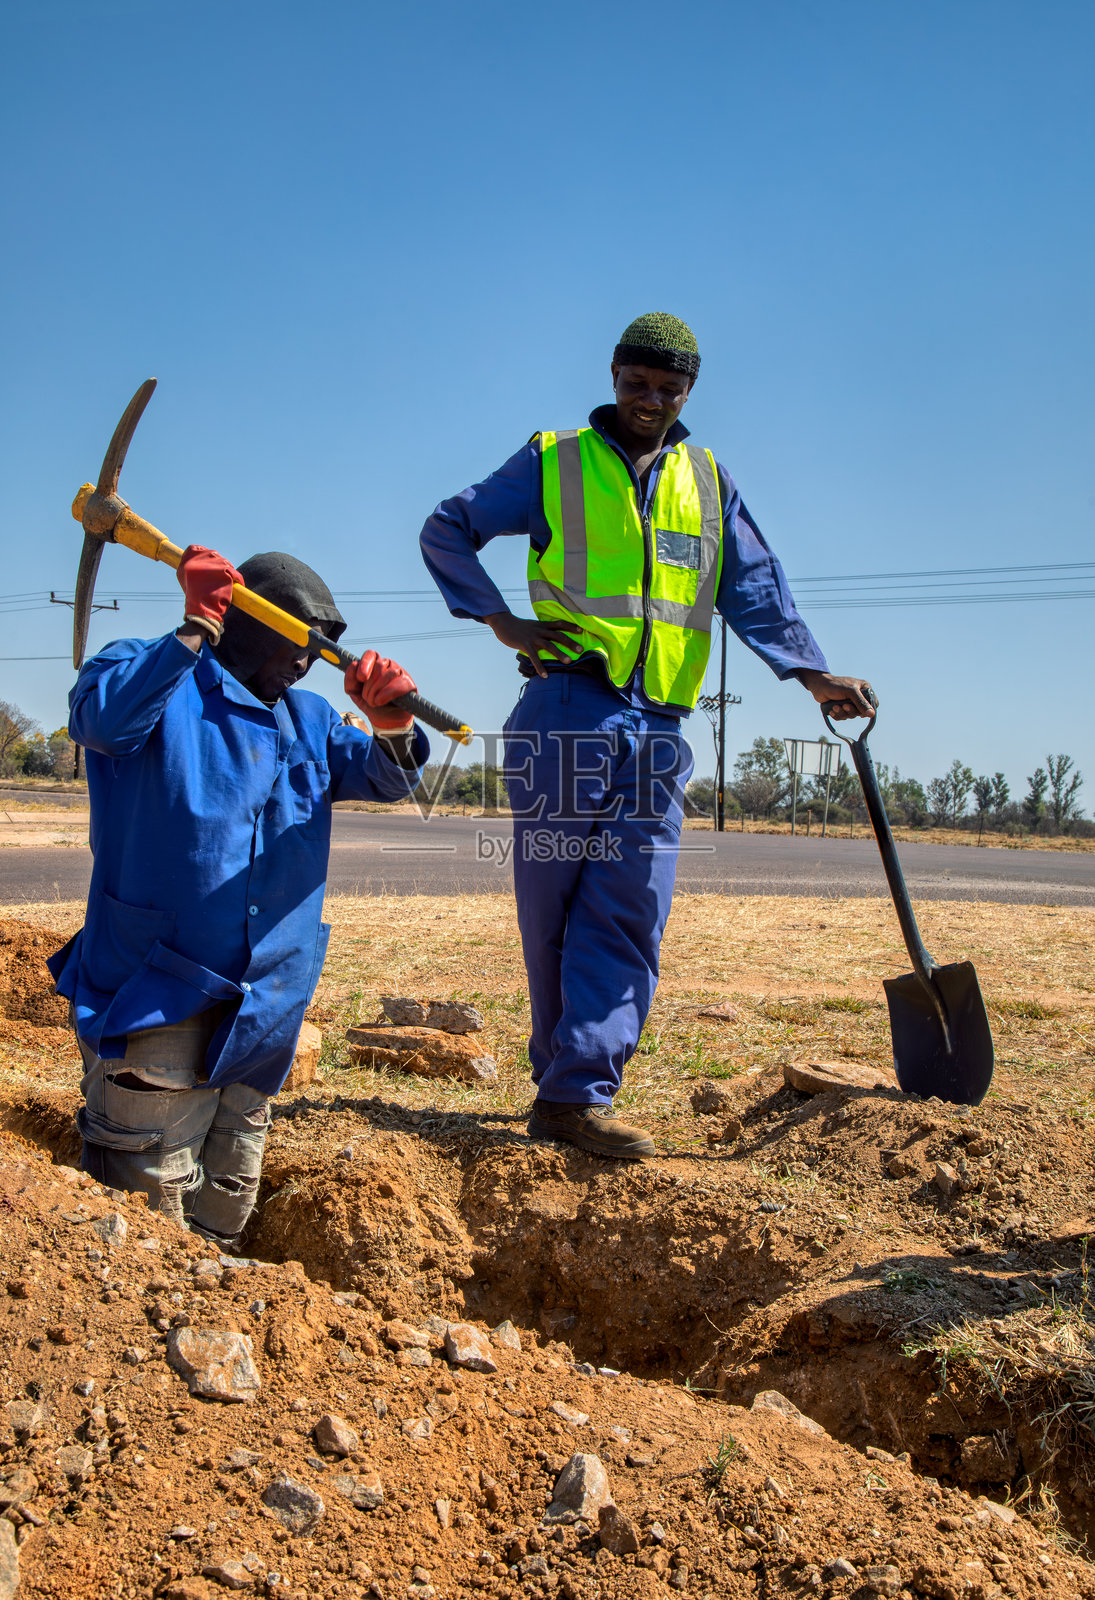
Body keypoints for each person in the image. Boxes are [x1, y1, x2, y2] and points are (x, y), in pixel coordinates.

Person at [420, 312, 874, 1160]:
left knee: (631, 908)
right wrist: (501, 623)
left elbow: (756, 588)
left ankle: (575, 1096)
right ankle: (560, 1084)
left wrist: (813, 674)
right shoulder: (552, 461)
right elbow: (447, 526)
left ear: (688, 391)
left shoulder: (707, 480)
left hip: (658, 727)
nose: (650, 400)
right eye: (637, 384)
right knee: (552, 912)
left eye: (668, 389)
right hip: (566, 711)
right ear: (614, 376)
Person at [49, 546, 428, 1249]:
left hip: (260, 1008)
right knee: (143, 1218)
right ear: (246, 617)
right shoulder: (149, 672)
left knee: (226, 1203)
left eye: (321, 650)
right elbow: (104, 724)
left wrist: (395, 725)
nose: (307, 662)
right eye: (298, 640)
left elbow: (388, 779)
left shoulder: (310, 719)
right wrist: (194, 627)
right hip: (156, 991)